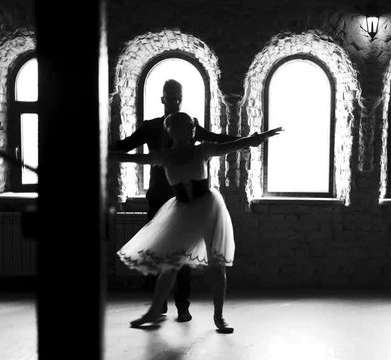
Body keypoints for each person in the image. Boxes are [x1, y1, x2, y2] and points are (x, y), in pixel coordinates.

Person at [110, 112, 282, 333]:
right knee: (171, 265)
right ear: (169, 130)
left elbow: (233, 145)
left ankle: (219, 317)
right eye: (176, 128)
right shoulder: (163, 155)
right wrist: (107, 154)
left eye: (185, 128)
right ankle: (154, 311)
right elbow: (131, 158)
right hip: (181, 212)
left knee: (217, 265)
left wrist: (257, 138)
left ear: (191, 130)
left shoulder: (203, 150)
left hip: (209, 208)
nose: (181, 132)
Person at [111, 79, 241, 322]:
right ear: (162, 99)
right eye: (170, 97)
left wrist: (248, 139)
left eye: (178, 97)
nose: (174, 101)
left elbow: (218, 140)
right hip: (162, 198)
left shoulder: (189, 125)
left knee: (185, 260)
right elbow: (125, 147)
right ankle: (158, 308)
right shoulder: (150, 127)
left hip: (196, 202)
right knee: (161, 255)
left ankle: (183, 306)